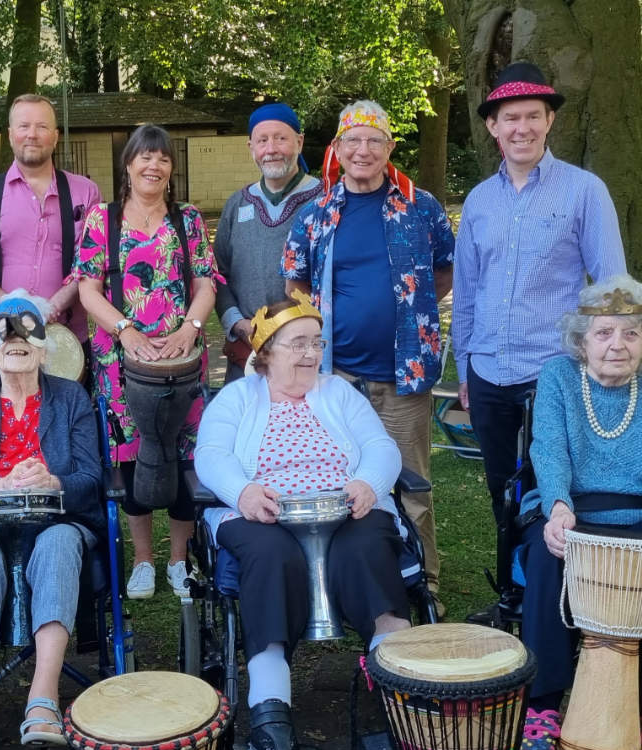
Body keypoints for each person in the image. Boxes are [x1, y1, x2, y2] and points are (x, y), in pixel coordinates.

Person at [195, 293, 413, 750]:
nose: (312, 354)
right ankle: (271, 720)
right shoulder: (236, 398)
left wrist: (370, 484)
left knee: (369, 546)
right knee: (270, 556)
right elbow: (210, 456)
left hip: (344, 508)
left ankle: (401, 709)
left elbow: (381, 446)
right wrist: (244, 493)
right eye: (298, 344)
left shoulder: (337, 393)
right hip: (261, 512)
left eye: (316, 342)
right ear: (266, 352)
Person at [452, 63, 626, 618]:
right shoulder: (479, 201)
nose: (521, 128)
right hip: (489, 370)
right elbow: (468, 287)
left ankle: (558, 596)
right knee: (502, 490)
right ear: (492, 129)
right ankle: (513, 594)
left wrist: (604, 365)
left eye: (531, 116)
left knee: (554, 484)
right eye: (509, 119)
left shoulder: (584, 191)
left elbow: (612, 286)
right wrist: (464, 369)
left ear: (549, 121)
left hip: (554, 372)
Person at [513, 276, 642, 750]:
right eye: (604, 333)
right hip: (573, 509)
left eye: (631, 334)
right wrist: (557, 507)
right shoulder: (558, 377)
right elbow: (548, 449)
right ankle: (543, 710)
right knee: (549, 554)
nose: (618, 344)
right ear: (582, 340)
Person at [281, 99, 454, 605]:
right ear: (337, 148)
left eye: (374, 140)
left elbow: (444, 271)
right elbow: (295, 283)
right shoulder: (315, 214)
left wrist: (410, 309)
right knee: (338, 482)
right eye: (352, 140)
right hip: (336, 378)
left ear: (389, 148)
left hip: (404, 376)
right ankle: (342, 586)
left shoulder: (421, 208)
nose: (363, 150)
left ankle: (424, 585)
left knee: (410, 485)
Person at [0, 292, 105, 750]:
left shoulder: (72, 399)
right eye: (4, 335)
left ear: (44, 349)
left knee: (56, 544)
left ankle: (43, 701)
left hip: (57, 519)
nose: (16, 342)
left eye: (26, 335)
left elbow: (91, 479)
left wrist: (53, 480)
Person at [73, 123, 221, 600]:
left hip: (182, 360)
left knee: (180, 455)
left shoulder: (189, 220)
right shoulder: (102, 219)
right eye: (144, 157)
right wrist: (128, 331)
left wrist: (189, 329)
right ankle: (142, 561)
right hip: (121, 361)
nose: (153, 165)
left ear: (171, 169)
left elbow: (205, 282)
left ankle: (179, 560)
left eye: (162, 158)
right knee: (133, 458)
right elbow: (87, 289)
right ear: (128, 165)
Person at [0, 94, 102, 360]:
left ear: (56, 136)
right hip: (1, 341)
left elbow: (90, 265)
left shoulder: (86, 192)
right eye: (24, 126)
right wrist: (15, 309)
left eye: (42, 126)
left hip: (66, 342)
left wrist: (51, 308)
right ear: (11, 134)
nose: (32, 135)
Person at [213, 103, 320, 382]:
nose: (271, 148)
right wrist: (238, 324)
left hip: (307, 352)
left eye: (281, 138)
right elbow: (217, 273)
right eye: (262, 140)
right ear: (251, 147)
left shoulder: (326, 202)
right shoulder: (237, 205)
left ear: (299, 141)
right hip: (246, 351)